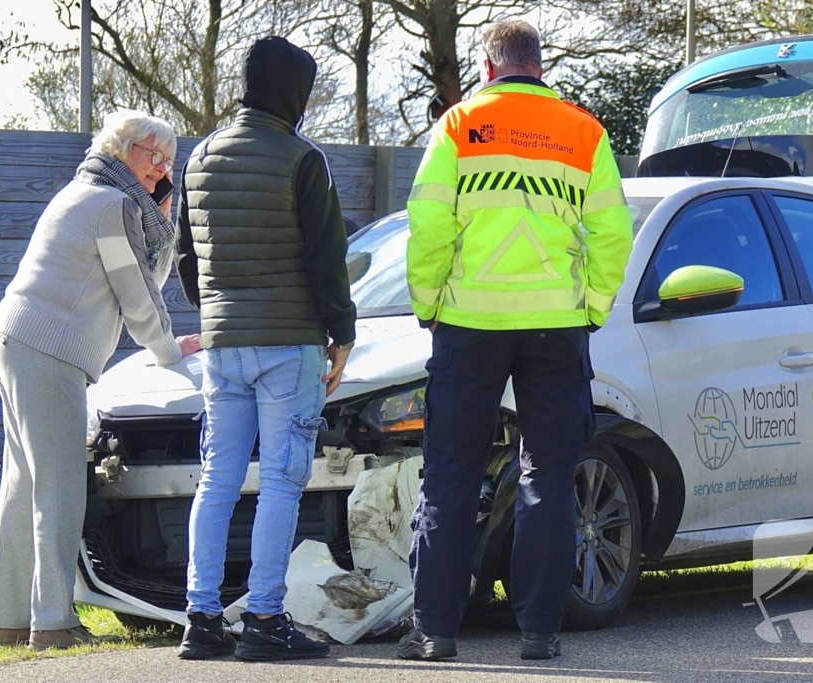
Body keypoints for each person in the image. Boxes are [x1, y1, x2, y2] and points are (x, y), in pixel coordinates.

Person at [401, 20, 634, 661]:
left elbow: (427, 228)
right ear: (540, 64)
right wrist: (591, 307)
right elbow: (613, 235)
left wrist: (428, 304)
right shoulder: (584, 132)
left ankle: (436, 632)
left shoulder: (456, 126)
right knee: (549, 477)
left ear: (485, 65)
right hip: (555, 325)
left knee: (451, 474)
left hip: (468, 325)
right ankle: (538, 632)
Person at [0, 111, 201, 651]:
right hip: (49, 349)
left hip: (16, 338)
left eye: (169, 161)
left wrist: (163, 223)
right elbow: (138, 298)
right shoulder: (113, 206)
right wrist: (171, 350)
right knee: (58, 488)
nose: (163, 168)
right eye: (157, 157)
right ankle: (53, 622)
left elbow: (137, 277)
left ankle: (7, 622)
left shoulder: (87, 192)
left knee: (23, 487)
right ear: (126, 149)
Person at [175, 36, 357, 662]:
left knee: (217, 479)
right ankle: (264, 619)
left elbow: (186, 259)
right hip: (290, 343)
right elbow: (326, 259)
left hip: (223, 345)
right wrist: (344, 334)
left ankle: (200, 620)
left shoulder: (198, 158)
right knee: (281, 481)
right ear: (295, 93)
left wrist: (220, 312)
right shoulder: (302, 158)